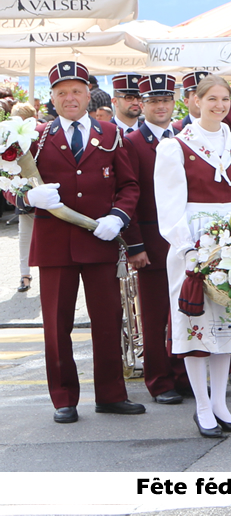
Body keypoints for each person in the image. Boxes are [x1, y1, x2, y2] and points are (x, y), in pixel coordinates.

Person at [25, 62, 147, 424]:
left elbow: (129, 186)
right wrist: (28, 199)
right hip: (54, 244)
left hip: (99, 240)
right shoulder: (35, 136)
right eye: (61, 92)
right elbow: (12, 184)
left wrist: (118, 217)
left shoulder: (110, 133)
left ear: (88, 94)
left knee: (108, 319)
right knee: (56, 324)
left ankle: (111, 394)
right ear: (52, 98)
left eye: (76, 91)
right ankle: (63, 397)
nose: (69, 98)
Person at [153, 75, 231, 437]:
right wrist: (189, 250)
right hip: (195, 239)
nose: (219, 105)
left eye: (224, 99)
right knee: (197, 327)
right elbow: (169, 207)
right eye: (211, 99)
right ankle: (202, 406)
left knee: (228, 326)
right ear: (195, 102)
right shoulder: (175, 146)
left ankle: (220, 403)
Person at [122, 74, 190, 406]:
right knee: (153, 316)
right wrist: (135, 246)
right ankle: (159, 380)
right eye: (153, 101)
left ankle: (181, 373)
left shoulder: (183, 137)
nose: (161, 106)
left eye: (166, 100)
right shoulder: (132, 142)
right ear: (142, 105)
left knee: (184, 312)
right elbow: (128, 195)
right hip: (151, 242)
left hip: (184, 242)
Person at [8, 101, 37, 293]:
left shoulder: (39, 136)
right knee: (25, 237)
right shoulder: (9, 138)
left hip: (43, 192)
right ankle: (24, 275)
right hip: (23, 193)